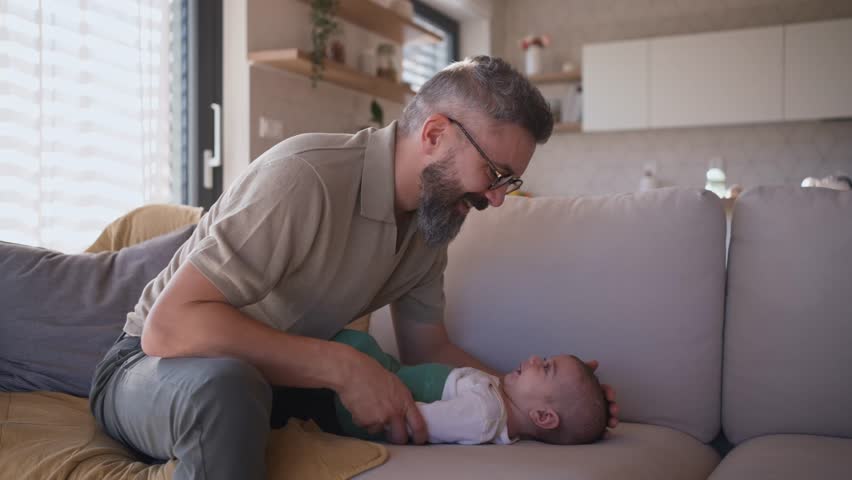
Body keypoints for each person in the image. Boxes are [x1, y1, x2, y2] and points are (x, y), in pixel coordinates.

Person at [89, 55, 620, 480]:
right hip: (149, 369)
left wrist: (544, 406)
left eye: (509, 183)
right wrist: (341, 367)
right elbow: (169, 327)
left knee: (263, 386)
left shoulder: (430, 227)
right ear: (434, 134)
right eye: (494, 173)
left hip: (269, 383)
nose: (497, 199)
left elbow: (429, 352)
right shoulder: (303, 178)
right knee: (228, 389)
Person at [330, 330, 608, 445]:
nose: (535, 359)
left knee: (352, 344)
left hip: (366, 404)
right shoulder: (495, 400)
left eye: (546, 367)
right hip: (386, 375)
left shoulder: (484, 414)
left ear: (543, 416)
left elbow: (417, 421)